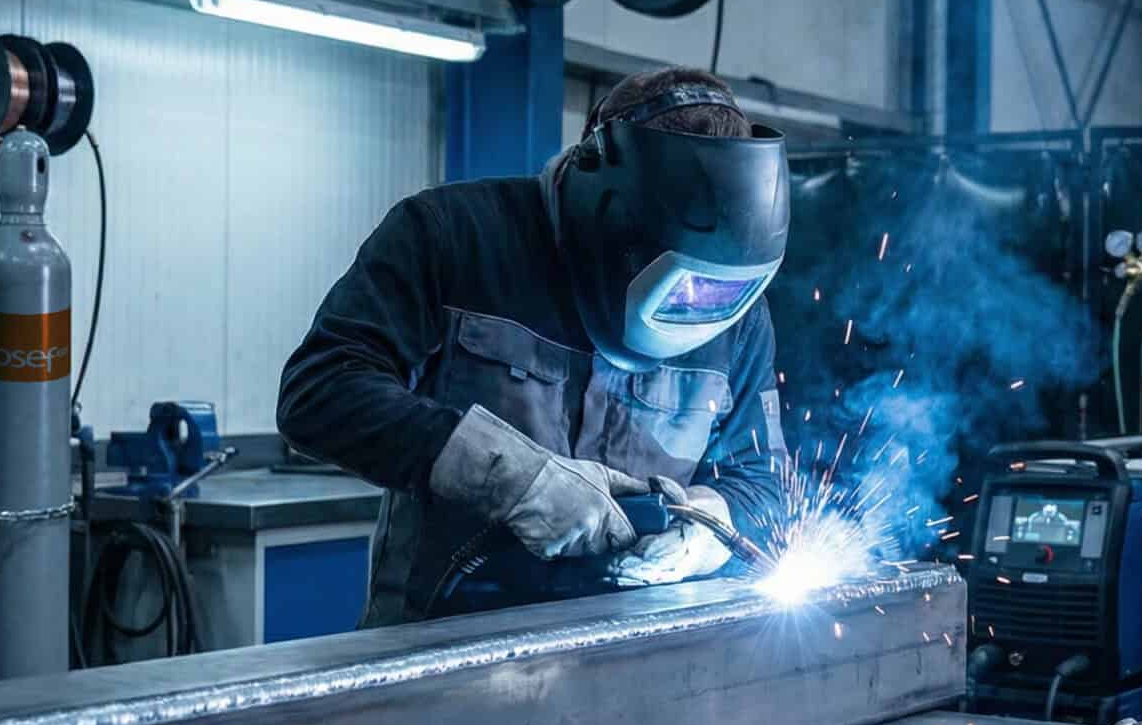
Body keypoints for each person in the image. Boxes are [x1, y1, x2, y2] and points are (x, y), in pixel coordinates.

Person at [278, 67, 792, 626]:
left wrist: (712, 523)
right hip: (440, 638)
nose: (697, 301)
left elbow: (761, 481)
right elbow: (320, 390)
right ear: (607, 202)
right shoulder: (453, 235)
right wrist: (510, 477)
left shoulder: (740, 315)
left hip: (630, 649)